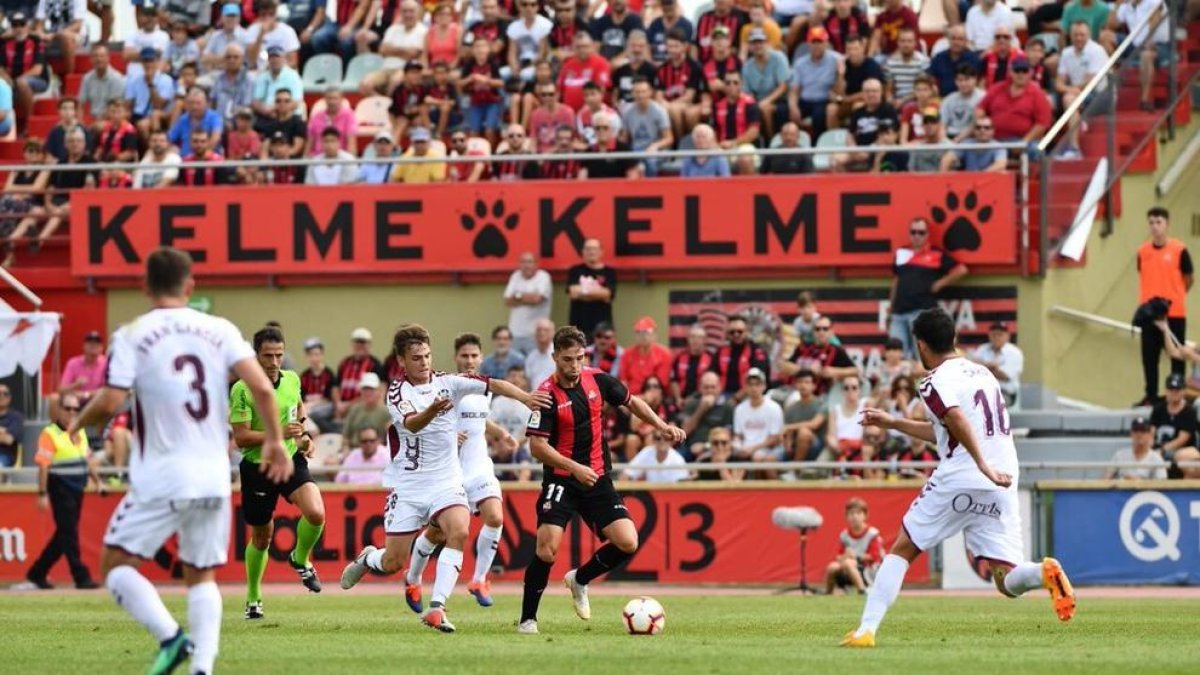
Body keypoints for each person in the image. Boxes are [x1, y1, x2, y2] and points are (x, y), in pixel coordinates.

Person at [70, 246, 291, 674]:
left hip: (161, 475)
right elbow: (263, 389)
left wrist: (78, 422)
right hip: (211, 476)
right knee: (201, 574)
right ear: (190, 286)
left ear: (144, 286)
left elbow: (112, 398)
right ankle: (202, 668)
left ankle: (172, 638)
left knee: (115, 565)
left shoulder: (133, 333)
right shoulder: (220, 328)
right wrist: (276, 442)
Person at [844, 308, 1075, 648]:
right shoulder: (982, 374)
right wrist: (893, 422)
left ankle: (866, 630)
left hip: (966, 474)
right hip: (1004, 477)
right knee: (1007, 579)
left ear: (921, 345)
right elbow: (945, 429)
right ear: (952, 338)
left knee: (902, 549)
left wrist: (980, 463)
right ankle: (1043, 572)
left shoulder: (933, 381)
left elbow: (955, 420)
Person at [340, 324, 548, 633]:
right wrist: (435, 410)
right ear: (401, 360)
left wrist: (526, 398)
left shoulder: (450, 382)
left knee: (460, 530)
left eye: (426, 355)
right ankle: (369, 558)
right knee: (394, 562)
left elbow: (494, 383)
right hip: (409, 485)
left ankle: (437, 607)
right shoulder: (397, 392)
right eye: (416, 358)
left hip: (447, 481)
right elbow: (411, 424)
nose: (423, 362)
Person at [518, 326, 685, 634]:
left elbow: (632, 401)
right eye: (567, 359)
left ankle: (579, 579)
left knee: (627, 541)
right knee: (546, 548)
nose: (574, 366)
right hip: (561, 480)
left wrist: (661, 425)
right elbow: (537, 447)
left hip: (596, 477)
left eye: (580, 358)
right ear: (555, 357)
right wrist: (573, 467)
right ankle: (528, 619)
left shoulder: (599, 379)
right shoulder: (545, 395)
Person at [403, 333, 520, 610]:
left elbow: (479, 418)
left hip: (479, 466)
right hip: (452, 472)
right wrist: (447, 434)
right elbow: (424, 424)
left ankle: (479, 579)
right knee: (437, 535)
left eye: (474, 356)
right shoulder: (446, 389)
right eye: (464, 356)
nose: (469, 361)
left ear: (481, 358)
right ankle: (413, 578)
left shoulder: (482, 390)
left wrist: (501, 433)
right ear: (456, 358)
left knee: (495, 517)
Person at [230, 327, 325, 620]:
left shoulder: (292, 379)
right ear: (255, 356)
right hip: (257, 467)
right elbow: (241, 438)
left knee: (316, 512)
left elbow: (298, 410)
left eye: (279, 355)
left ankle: (300, 558)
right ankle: (254, 597)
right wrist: (277, 432)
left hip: (289, 459)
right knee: (262, 536)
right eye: (268, 356)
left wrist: (304, 436)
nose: (274, 362)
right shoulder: (242, 388)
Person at [25, 392, 102, 590]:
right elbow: (43, 465)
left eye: (76, 409)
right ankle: (81, 576)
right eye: (67, 408)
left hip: (78, 488)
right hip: (60, 487)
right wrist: (42, 494)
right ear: (58, 410)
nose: (72, 412)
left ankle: (37, 572)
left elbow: (87, 459)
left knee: (64, 535)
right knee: (69, 533)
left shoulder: (80, 432)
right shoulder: (50, 433)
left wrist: (98, 481)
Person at [887, 218, 968, 358]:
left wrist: (940, 283)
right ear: (909, 233)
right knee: (897, 354)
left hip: (921, 311)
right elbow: (896, 280)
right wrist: (890, 306)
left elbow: (961, 269)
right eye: (913, 232)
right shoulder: (901, 253)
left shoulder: (936, 253)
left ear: (927, 234)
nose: (917, 236)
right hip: (899, 312)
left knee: (923, 355)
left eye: (921, 232)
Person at [1136, 206, 1192, 406]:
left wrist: (1175, 296)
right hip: (1150, 313)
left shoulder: (1179, 249)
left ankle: (1179, 396)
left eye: (1158, 222)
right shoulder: (1142, 251)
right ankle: (1151, 395)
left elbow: (1189, 278)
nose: (1155, 227)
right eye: (1151, 222)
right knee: (1149, 357)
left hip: (1174, 313)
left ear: (1167, 224)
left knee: (1178, 357)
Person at [976, 57, 1052, 143]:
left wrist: (1023, 142)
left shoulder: (1038, 94)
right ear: (1010, 72)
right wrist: (982, 127)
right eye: (1017, 71)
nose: (1020, 74)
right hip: (993, 138)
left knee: (1034, 150)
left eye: (1024, 71)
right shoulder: (997, 88)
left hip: (1023, 139)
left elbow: (1042, 124)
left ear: (1030, 73)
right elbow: (980, 108)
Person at [825, 498, 886, 595]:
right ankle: (828, 593)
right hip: (849, 568)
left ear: (865, 515)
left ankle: (862, 591)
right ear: (846, 516)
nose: (854, 517)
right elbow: (837, 556)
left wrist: (856, 557)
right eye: (851, 513)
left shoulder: (872, 534)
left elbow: (875, 557)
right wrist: (845, 556)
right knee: (832, 567)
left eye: (858, 513)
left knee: (849, 563)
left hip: (869, 570)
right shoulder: (844, 535)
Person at [732, 368, 786, 473]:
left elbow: (774, 438)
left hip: (769, 448)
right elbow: (738, 434)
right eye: (750, 385)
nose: (754, 388)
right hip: (746, 447)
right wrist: (738, 446)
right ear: (746, 387)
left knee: (758, 458)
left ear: (764, 386)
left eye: (757, 384)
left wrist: (752, 448)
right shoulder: (740, 409)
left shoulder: (773, 407)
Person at [787, 27, 836, 139]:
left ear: (826, 43)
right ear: (808, 44)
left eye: (820, 42)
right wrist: (793, 107)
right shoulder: (800, 63)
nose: (817, 45)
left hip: (824, 100)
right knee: (782, 112)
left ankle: (816, 146)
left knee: (818, 115)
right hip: (804, 100)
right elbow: (794, 89)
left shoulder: (836, 59)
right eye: (814, 42)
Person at [621, 77, 673, 177]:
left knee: (650, 161)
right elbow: (625, 137)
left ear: (650, 92)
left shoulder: (659, 111)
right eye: (637, 92)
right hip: (635, 149)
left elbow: (669, 138)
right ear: (632, 93)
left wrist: (655, 146)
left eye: (643, 92)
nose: (640, 95)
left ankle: (651, 190)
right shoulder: (627, 111)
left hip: (657, 150)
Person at [504, 252, 553, 356]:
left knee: (535, 365)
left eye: (530, 262)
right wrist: (526, 297)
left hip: (536, 334)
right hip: (515, 333)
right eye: (523, 262)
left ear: (536, 264)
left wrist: (517, 296)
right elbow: (508, 301)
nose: (526, 265)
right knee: (515, 368)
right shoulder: (515, 276)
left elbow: (536, 299)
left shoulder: (543, 277)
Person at [679, 371, 736, 460]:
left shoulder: (727, 407)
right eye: (706, 387)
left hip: (717, 447)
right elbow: (684, 431)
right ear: (700, 388)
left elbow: (727, 435)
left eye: (713, 387)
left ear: (719, 388)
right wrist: (701, 409)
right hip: (691, 449)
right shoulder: (691, 404)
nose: (710, 390)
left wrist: (706, 446)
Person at [568, 238, 617, 339]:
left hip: (602, 328)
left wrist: (582, 292)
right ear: (583, 252)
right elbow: (573, 292)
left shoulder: (609, 272)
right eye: (588, 249)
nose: (591, 252)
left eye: (594, 249)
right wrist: (597, 292)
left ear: (601, 252)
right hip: (578, 328)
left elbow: (607, 294)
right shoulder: (575, 271)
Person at [713, 315, 770, 398]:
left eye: (740, 331)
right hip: (722, 394)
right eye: (732, 332)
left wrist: (737, 397)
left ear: (747, 332)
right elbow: (711, 373)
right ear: (727, 334)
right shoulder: (721, 351)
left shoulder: (757, 351)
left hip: (749, 395)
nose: (736, 334)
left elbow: (758, 379)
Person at [971, 322, 1024, 407]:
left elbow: (1005, 376)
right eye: (994, 334)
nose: (997, 337)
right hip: (982, 391)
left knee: (991, 404)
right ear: (989, 335)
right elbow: (972, 368)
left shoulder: (1014, 352)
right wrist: (992, 367)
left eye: (1000, 334)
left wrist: (983, 367)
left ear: (1007, 336)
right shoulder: (982, 348)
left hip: (1005, 392)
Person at [335, 327, 384, 418]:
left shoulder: (375, 365)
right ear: (352, 344)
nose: (360, 346)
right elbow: (336, 387)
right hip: (341, 404)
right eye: (357, 343)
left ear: (369, 345)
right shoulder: (344, 363)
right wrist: (338, 404)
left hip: (362, 405)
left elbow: (376, 392)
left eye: (363, 343)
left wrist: (348, 406)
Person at [619, 316, 672, 395]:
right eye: (638, 332)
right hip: (630, 396)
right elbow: (623, 380)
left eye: (646, 332)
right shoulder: (626, 354)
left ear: (654, 335)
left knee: (653, 388)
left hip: (652, 394)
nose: (642, 336)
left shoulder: (664, 354)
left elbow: (661, 384)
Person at [781, 370, 827, 462]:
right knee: (771, 459)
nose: (803, 385)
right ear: (796, 385)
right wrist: (788, 443)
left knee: (804, 432)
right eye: (800, 382)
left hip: (817, 447)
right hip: (796, 445)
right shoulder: (791, 407)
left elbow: (814, 424)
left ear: (814, 386)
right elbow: (788, 432)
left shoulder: (822, 404)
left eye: (807, 382)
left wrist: (788, 427)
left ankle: (794, 470)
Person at [1149, 374, 1197, 459]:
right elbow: (1151, 432)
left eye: (1177, 390)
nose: (1174, 393)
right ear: (1166, 391)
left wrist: (1162, 450)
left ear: (1183, 391)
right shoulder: (1158, 409)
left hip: (1180, 452)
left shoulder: (1189, 412)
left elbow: (1182, 439)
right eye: (1171, 389)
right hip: (1158, 449)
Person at [340, 372, 391, 452]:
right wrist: (345, 449)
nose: (368, 392)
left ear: (378, 391)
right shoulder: (355, 410)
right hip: (353, 451)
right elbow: (346, 435)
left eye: (371, 389)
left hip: (376, 453)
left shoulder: (386, 413)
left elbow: (389, 439)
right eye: (365, 389)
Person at [928, 25, 982, 98]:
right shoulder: (939, 58)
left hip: (967, 99)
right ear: (948, 40)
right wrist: (933, 85)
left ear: (966, 41)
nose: (956, 42)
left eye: (960, 39)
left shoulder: (974, 59)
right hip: (941, 98)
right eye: (953, 38)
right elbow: (930, 76)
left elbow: (978, 82)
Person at [79, 44, 126, 124]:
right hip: (94, 118)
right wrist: (79, 122)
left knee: (98, 127)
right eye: (95, 56)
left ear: (108, 58)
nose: (99, 59)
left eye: (102, 56)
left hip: (112, 119)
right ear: (91, 59)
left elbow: (113, 108)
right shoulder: (87, 78)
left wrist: (94, 124)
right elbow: (80, 104)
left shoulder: (117, 78)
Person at [300, 338, 338, 432]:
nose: (314, 358)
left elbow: (330, 398)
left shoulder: (329, 374)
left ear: (322, 355)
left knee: (313, 414)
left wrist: (312, 404)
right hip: (308, 406)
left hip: (325, 406)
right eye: (311, 355)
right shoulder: (304, 376)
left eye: (316, 354)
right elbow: (301, 397)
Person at [59, 331, 107, 404]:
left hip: (97, 402)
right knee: (55, 399)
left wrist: (85, 394)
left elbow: (107, 390)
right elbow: (61, 390)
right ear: (84, 346)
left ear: (101, 348)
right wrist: (75, 384)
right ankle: (71, 414)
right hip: (76, 401)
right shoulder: (73, 363)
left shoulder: (106, 363)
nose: (93, 345)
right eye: (90, 343)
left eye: (97, 343)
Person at [670, 324, 716, 401]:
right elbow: (674, 381)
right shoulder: (680, 358)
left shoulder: (711, 358)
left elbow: (711, 385)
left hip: (701, 399)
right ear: (688, 339)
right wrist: (678, 399)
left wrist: (691, 399)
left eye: (699, 337)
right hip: (680, 399)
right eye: (693, 337)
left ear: (705, 340)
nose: (696, 340)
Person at [625, 431, 691, 482]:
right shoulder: (647, 452)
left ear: (672, 441)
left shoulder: (678, 459)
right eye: (658, 438)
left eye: (666, 438)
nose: (662, 441)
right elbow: (627, 474)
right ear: (653, 440)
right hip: (650, 495)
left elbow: (681, 486)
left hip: (671, 495)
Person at [525, 318, 557, 388]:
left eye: (546, 330)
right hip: (534, 396)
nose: (542, 333)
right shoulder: (531, 357)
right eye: (539, 330)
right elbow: (528, 382)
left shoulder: (559, 355)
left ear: (553, 333)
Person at [0, 383, 24, 469]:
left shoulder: (16, 417)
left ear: (9, 398)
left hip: (4, 456)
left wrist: (5, 434)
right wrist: (2, 431)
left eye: (5, 393)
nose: (2, 396)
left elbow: (8, 440)